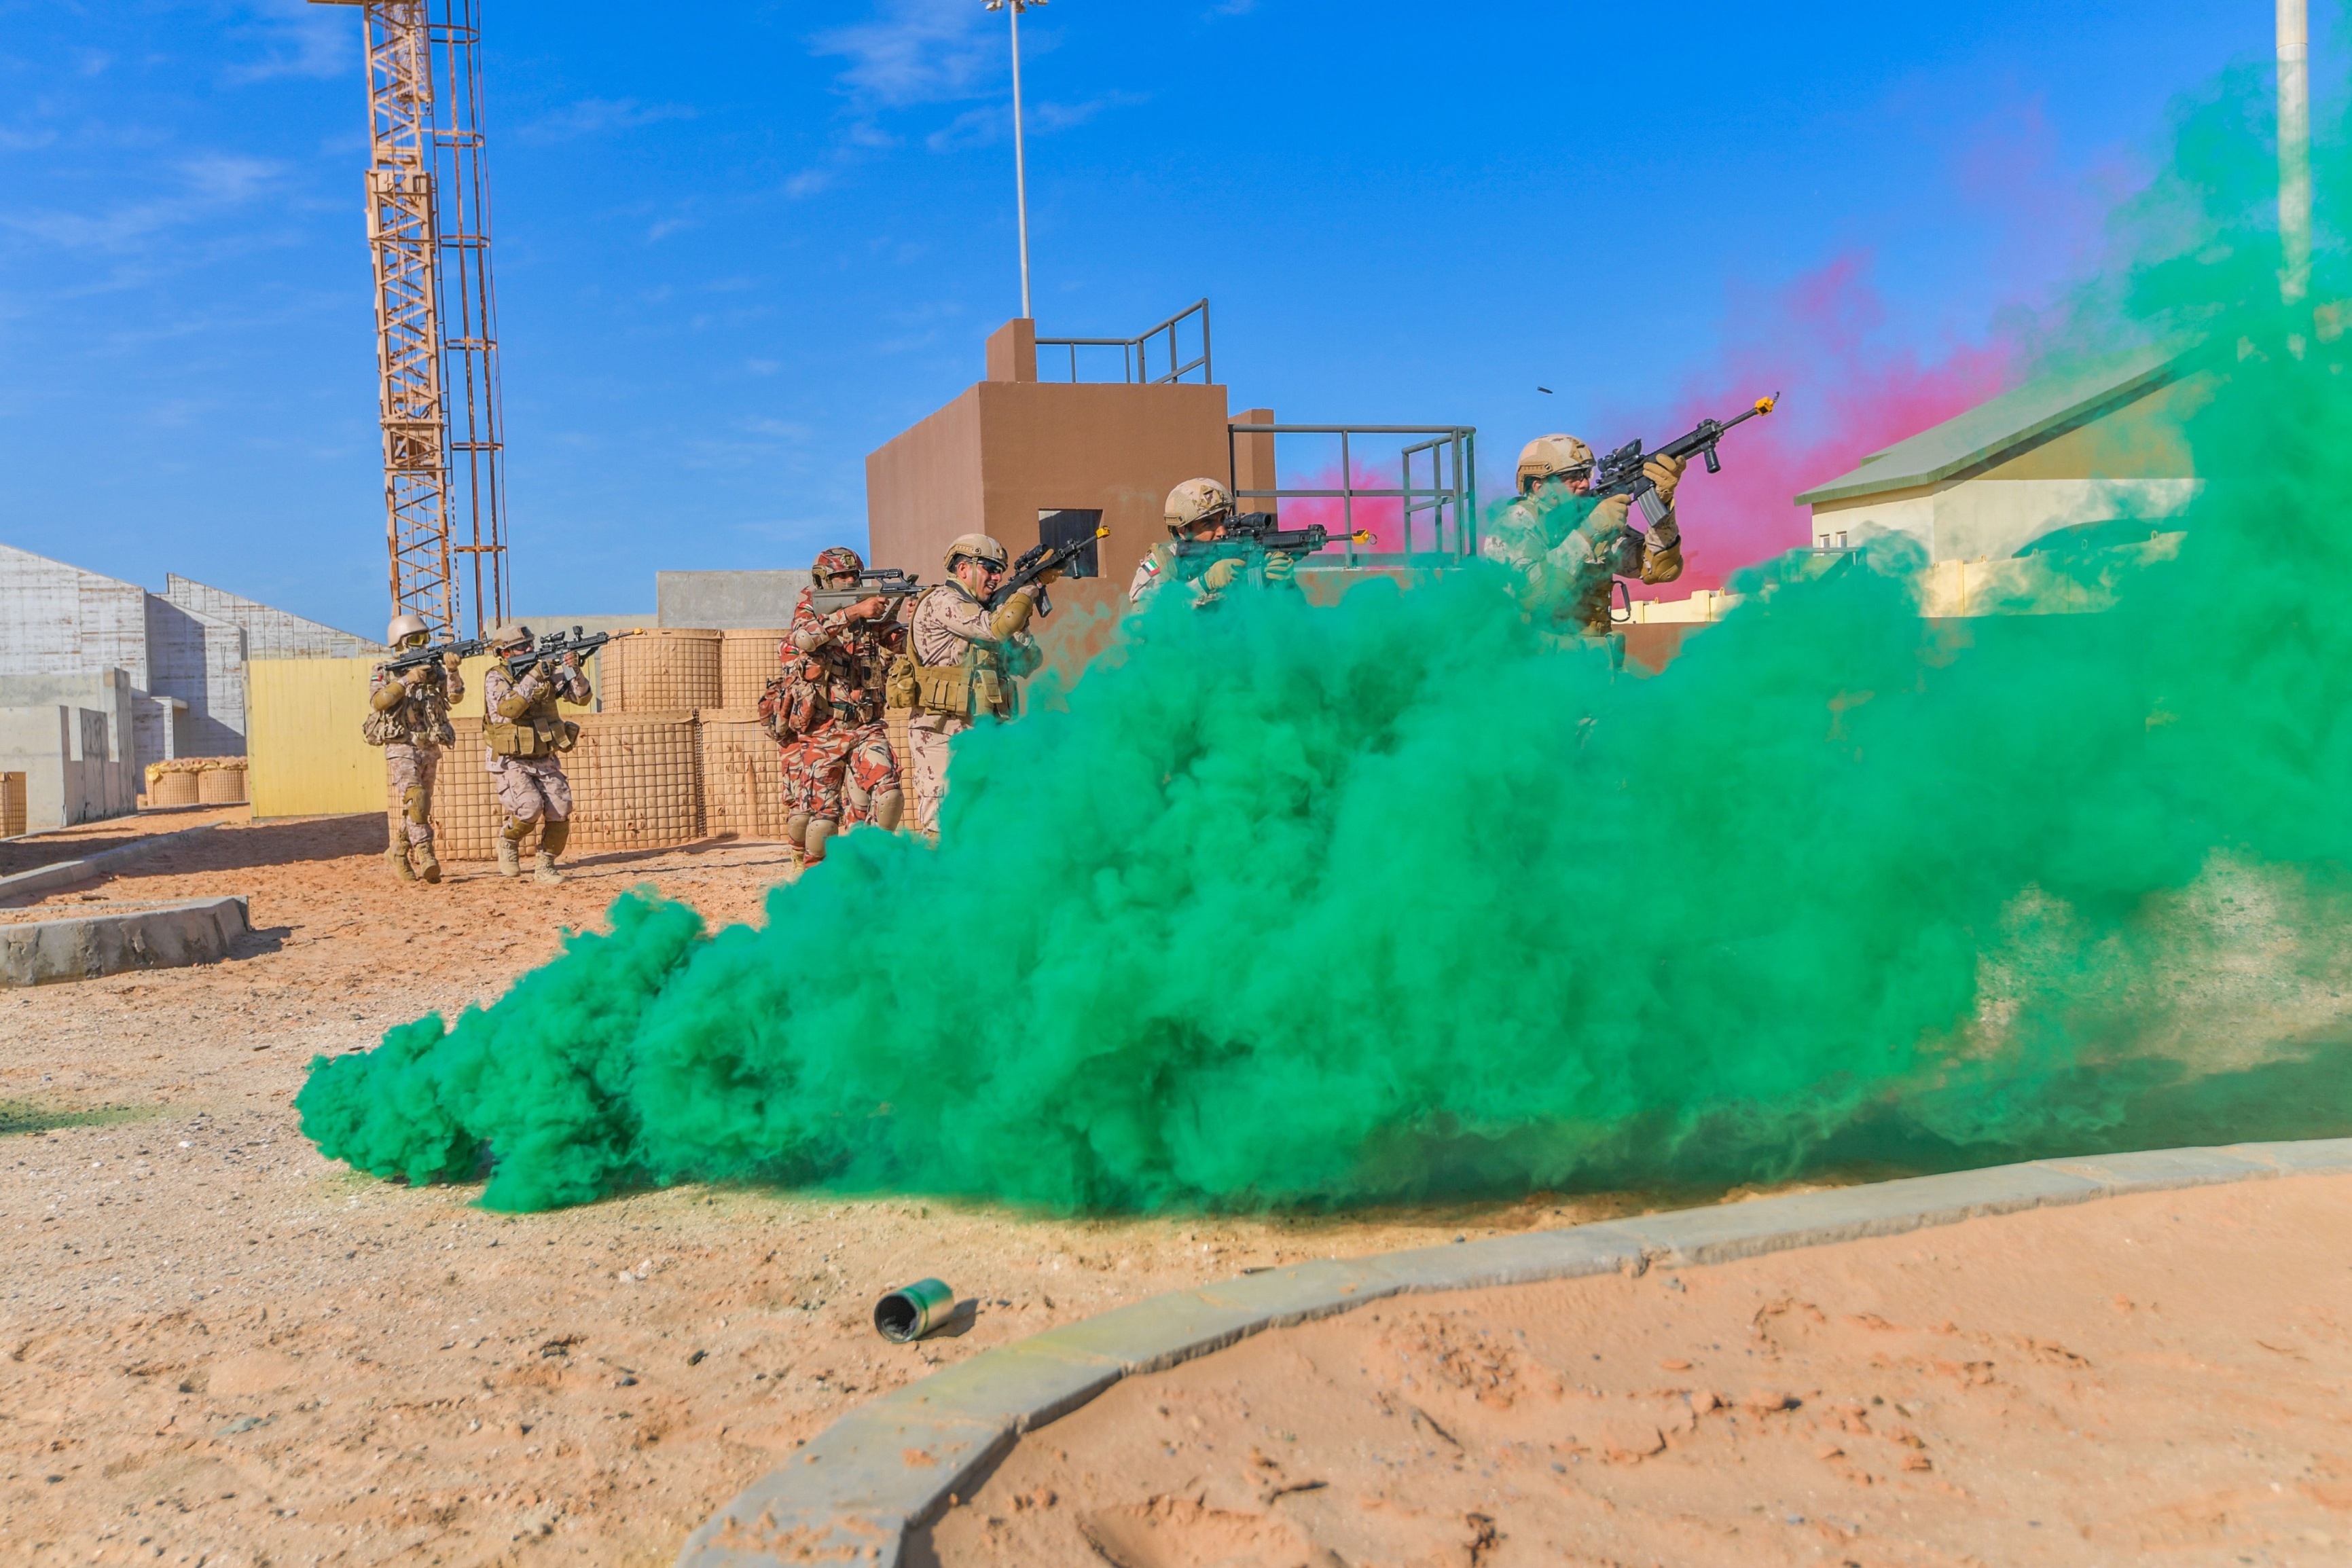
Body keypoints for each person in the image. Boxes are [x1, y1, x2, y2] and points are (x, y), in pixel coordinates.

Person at [903, 533, 1055, 838]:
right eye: (990, 568)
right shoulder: (943, 601)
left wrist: (1021, 620)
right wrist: (1029, 590)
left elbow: (1028, 662)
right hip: (942, 732)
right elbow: (994, 628)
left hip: (986, 731)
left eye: (1000, 571)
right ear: (963, 569)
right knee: (944, 827)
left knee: (992, 822)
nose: (996, 577)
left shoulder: (986, 614)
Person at [1481, 435, 1687, 642]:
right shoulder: (1514, 524)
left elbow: (1658, 569)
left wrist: (1663, 507)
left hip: (1596, 657)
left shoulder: (1586, 517)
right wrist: (1588, 532)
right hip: (1537, 659)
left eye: (1586, 473)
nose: (1585, 484)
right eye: (1572, 477)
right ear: (1539, 487)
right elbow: (1535, 598)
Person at [780, 545, 907, 867]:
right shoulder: (810, 604)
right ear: (823, 579)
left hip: (865, 725)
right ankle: (811, 878)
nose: (850, 580)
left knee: (889, 794)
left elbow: (900, 641)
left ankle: (870, 869)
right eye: (842, 576)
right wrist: (855, 612)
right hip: (822, 730)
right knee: (822, 821)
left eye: (854, 575)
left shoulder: (868, 610)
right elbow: (805, 638)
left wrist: (919, 617)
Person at [480, 623, 592, 885]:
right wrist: (534, 676)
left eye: (530, 643)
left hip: (543, 754)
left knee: (561, 809)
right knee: (530, 807)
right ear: (505, 653)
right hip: (511, 759)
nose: (529, 648)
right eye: (522, 646)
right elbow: (509, 709)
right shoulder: (496, 677)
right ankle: (508, 841)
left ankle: (546, 865)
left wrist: (575, 670)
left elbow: (581, 697)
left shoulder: (545, 672)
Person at [365, 612, 464, 884]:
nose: (424, 644)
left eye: (426, 638)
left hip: (428, 745)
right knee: (416, 799)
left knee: (420, 807)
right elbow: (378, 701)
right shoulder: (384, 670)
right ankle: (426, 853)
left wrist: (452, 671)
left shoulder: (435, 670)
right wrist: (407, 679)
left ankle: (399, 851)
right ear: (400, 642)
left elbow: (455, 696)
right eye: (417, 639)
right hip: (401, 746)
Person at [1129, 477, 1297, 608]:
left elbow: (1295, 617)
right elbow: (1143, 623)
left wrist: (1284, 585)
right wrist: (1204, 583)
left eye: (1224, 519)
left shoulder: (1243, 553)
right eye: (1208, 524)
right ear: (1182, 530)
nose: (1222, 531)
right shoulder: (1164, 562)